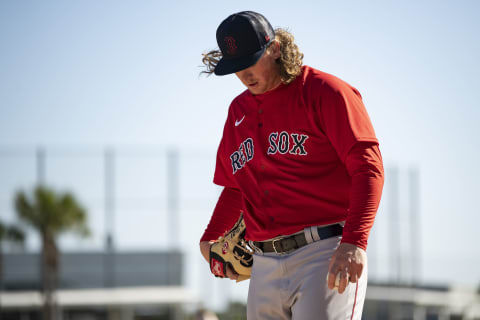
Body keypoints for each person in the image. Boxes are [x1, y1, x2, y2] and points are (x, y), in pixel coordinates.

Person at [199, 11, 384, 320]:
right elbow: (236, 187)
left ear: (275, 48)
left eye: (250, 60)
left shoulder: (326, 92)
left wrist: (355, 241)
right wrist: (211, 237)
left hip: (323, 252)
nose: (243, 74)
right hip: (264, 264)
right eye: (236, 66)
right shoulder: (237, 112)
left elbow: (368, 168)